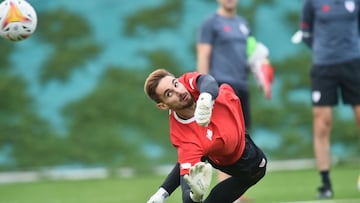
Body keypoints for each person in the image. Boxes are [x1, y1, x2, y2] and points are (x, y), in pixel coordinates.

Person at [144, 69, 267, 203]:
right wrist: (194, 195)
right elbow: (186, 195)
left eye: (175, 84)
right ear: (163, 106)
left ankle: (162, 192)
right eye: (169, 94)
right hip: (232, 156)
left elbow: (208, 81)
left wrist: (205, 98)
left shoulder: (187, 84)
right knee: (257, 169)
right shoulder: (184, 137)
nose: (178, 91)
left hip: (235, 123)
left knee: (199, 151)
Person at [196, 0, 273, 202]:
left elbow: (251, 57)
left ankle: (235, 194)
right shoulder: (210, 23)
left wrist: (261, 75)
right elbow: (203, 56)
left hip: (241, 88)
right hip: (220, 89)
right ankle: (230, 196)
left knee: (240, 140)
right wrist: (202, 92)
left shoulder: (243, 24)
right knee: (226, 142)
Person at [300, 0, 360, 199]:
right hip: (323, 67)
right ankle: (325, 183)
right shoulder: (311, 3)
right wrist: (324, 50)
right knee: (322, 122)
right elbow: (306, 33)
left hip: (354, 64)